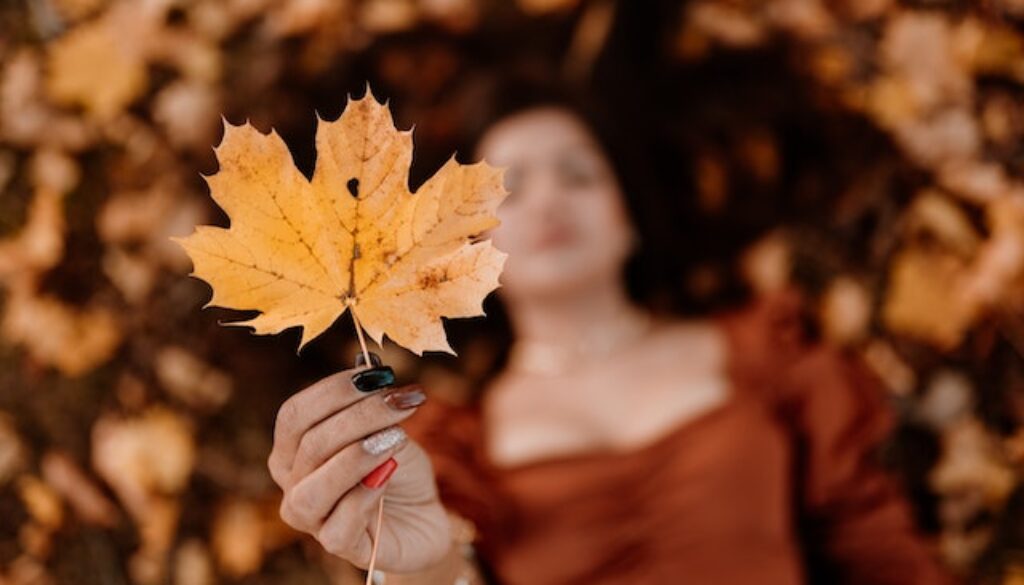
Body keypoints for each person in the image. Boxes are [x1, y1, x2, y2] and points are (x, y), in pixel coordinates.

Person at [265, 77, 957, 584]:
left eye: (579, 174)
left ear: (629, 217)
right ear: (469, 252)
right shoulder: (458, 446)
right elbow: (446, 560)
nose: (550, 200)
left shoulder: (762, 353)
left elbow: (875, 547)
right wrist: (425, 566)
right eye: (510, 190)